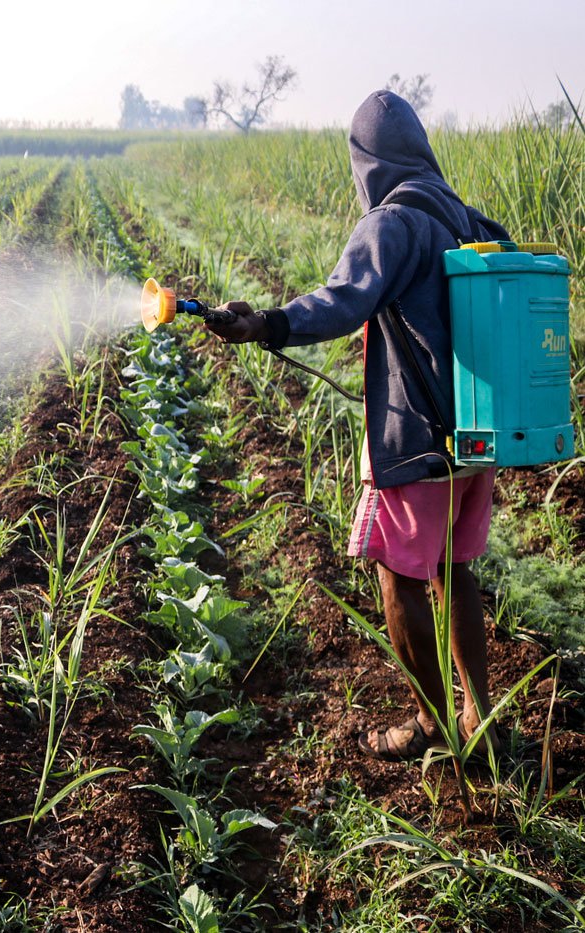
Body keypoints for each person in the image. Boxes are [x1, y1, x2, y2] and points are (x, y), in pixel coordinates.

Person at [207, 90, 509, 761]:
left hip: (414, 440)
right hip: (476, 435)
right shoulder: (464, 217)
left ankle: (432, 722)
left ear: (366, 162)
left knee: (397, 573)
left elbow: (342, 301)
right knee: (455, 566)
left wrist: (267, 323)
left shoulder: (392, 224)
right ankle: (479, 716)